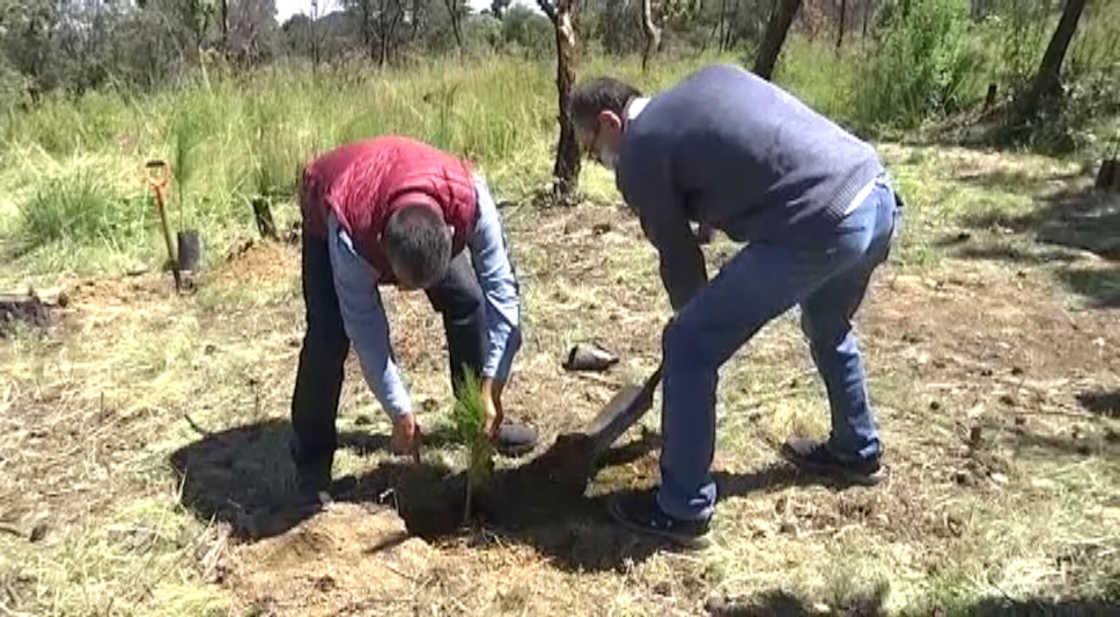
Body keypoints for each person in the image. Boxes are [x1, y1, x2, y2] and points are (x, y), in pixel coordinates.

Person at [569, 63, 903, 548]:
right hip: (873, 196)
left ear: (611, 122)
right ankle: (857, 449)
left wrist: (694, 329)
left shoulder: (640, 149)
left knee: (688, 344)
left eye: (591, 146)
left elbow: (679, 258)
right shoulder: (704, 86)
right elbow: (738, 162)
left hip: (821, 222)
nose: (598, 158)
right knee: (827, 325)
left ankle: (682, 507)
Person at [290, 135, 538, 504]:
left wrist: (492, 386)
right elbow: (367, 332)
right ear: (383, 255)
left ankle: (477, 423)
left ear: (450, 234)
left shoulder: (470, 200)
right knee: (329, 335)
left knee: (467, 300)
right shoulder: (350, 234)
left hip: (419, 195)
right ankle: (311, 466)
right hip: (331, 198)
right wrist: (399, 411)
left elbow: (502, 296)